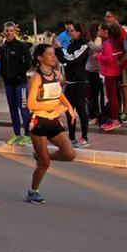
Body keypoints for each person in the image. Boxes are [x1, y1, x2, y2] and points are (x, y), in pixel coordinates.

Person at [25, 45, 78, 204]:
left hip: (54, 120)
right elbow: (31, 103)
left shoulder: (56, 74)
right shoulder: (36, 77)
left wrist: (69, 108)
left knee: (69, 154)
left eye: (54, 54)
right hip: (39, 121)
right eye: (49, 55)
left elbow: (59, 94)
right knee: (45, 163)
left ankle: (42, 157)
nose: (53, 57)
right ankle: (33, 191)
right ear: (40, 58)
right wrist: (51, 107)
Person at [56, 24, 90, 147]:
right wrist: (57, 50)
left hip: (80, 82)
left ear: (79, 32)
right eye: (69, 31)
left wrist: (60, 49)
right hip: (70, 82)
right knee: (69, 111)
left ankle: (85, 137)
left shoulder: (84, 45)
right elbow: (64, 60)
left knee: (81, 110)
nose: (70, 33)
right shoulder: (70, 44)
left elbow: (72, 58)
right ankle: (71, 136)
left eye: (72, 31)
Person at [0, 22, 32, 145]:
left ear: (15, 32)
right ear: (4, 32)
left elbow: (28, 62)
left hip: (20, 83)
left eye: (11, 30)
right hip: (8, 84)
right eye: (7, 31)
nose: (9, 33)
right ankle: (17, 134)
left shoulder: (21, 46)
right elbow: (2, 63)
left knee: (23, 108)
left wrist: (18, 73)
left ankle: (28, 134)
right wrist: (3, 75)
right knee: (12, 109)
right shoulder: (3, 48)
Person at [97, 23, 123, 131]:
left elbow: (108, 58)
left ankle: (114, 120)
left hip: (109, 72)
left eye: (100, 30)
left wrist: (98, 56)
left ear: (107, 32)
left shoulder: (107, 43)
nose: (98, 32)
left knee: (112, 97)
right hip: (115, 71)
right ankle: (115, 118)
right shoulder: (115, 43)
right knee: (114, 96)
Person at [85, 24, 104, 126]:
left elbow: (98, 49)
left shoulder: (95, 42)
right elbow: (97, 49)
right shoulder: (90, 43)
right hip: (91, 70)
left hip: (98, 71)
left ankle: (97, 115)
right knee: (92, 95)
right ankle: (93, 115)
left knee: (96, 95)